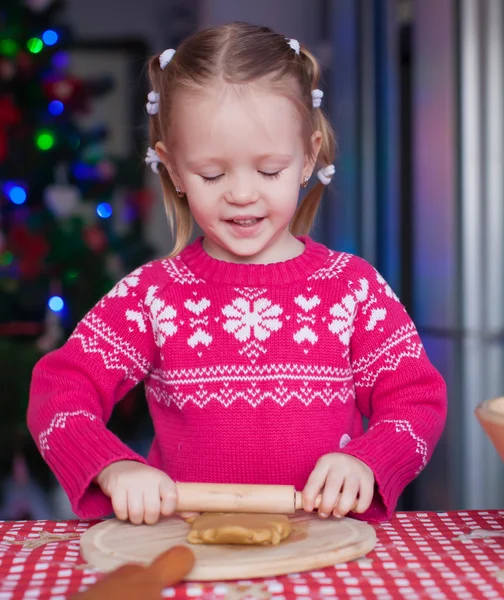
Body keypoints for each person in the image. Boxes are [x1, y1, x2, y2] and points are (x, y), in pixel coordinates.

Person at [27, 22, 447, 526]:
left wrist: (369, 460)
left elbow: (416, 400)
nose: (242, 194)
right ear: (174, 170)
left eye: (268, 170)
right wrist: (111, 467)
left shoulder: (354, 289)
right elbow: (58, 391)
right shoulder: (152, 296)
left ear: (308, 157)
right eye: (211, 174)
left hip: (328, 553)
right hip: (189, 552)